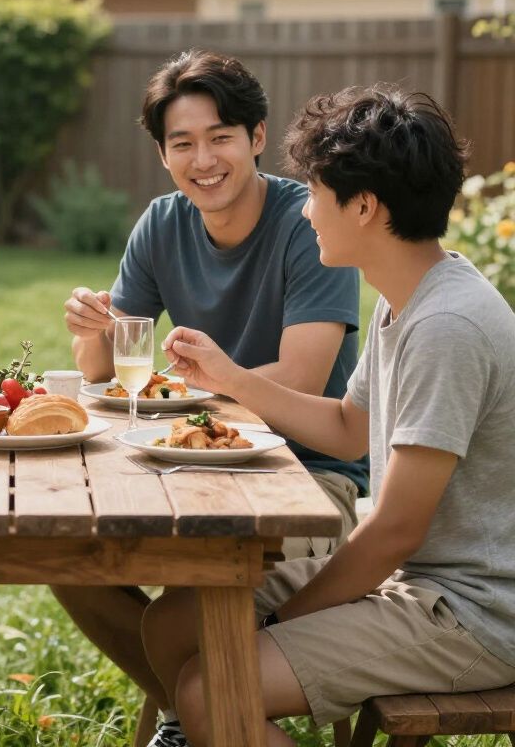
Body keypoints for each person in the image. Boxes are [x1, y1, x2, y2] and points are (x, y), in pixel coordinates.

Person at [142, 86, 515, 747]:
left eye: (315, 192)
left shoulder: (447, 326)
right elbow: (348, 426)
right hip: (425, 582)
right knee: (174, 625)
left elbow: (395, 531)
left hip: (472, 613)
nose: (306, 209)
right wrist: (228, 377)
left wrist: (287, 618)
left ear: (365, 207)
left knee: (212, 692)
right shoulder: (408, 299)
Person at [55, 49, 365, 739]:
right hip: (190, 467)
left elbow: (305, 378)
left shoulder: (308, 223)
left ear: (257, 139)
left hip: (308, 477)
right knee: (69, 565)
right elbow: (107, 370)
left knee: (187, 608)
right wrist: (91, 330)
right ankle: (186, 711)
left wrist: (206, 387)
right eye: (183, 143)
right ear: (163, 154)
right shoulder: (162, 223)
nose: (204, 159)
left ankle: (194, 718)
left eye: (221, 137)